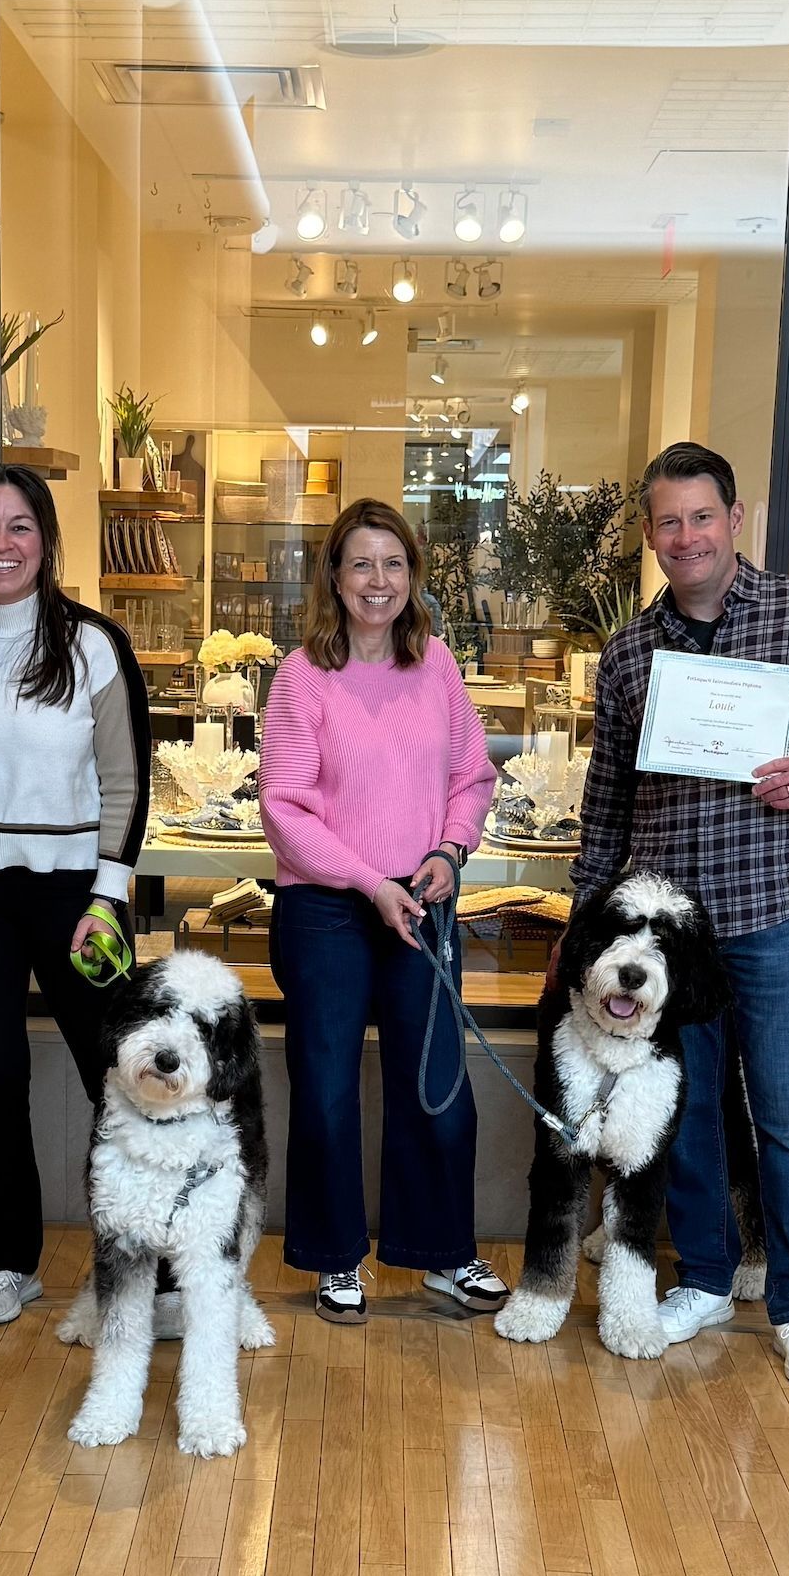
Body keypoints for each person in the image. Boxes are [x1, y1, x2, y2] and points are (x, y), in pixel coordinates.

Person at [572, 441, 789, 1390]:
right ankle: (708, 1279)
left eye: (702, 517)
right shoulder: (633, 649)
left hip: (777, 917)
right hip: (671, 939)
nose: (687, 537)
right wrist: (589, 920)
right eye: (668, 522)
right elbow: (607, 801)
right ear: (650, 535)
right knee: (693, 1116)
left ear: (736, 517)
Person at [259, 498, 507, 1324]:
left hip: (424, 894)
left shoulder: (434, 665)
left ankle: (442, 1253)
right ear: (335, 574)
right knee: (327, 1088)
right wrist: (372, 883)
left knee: (436, 1084)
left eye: (393, 564)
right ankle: (335, 1259)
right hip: (327, 908)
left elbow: (472, 778)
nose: (378, 580)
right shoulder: (302, 676)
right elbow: (285, 810)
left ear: (413, 576)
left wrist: (448, 851)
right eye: (361, 563)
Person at [0, 462, 151, 1325]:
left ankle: (139, 1267)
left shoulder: (93, 643)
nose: (2, 543)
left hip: (74, 898)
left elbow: (127, 782)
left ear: (47, 539)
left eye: (21, 526)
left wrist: (108, 894)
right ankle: (7, 1261)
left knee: (118, 1080)